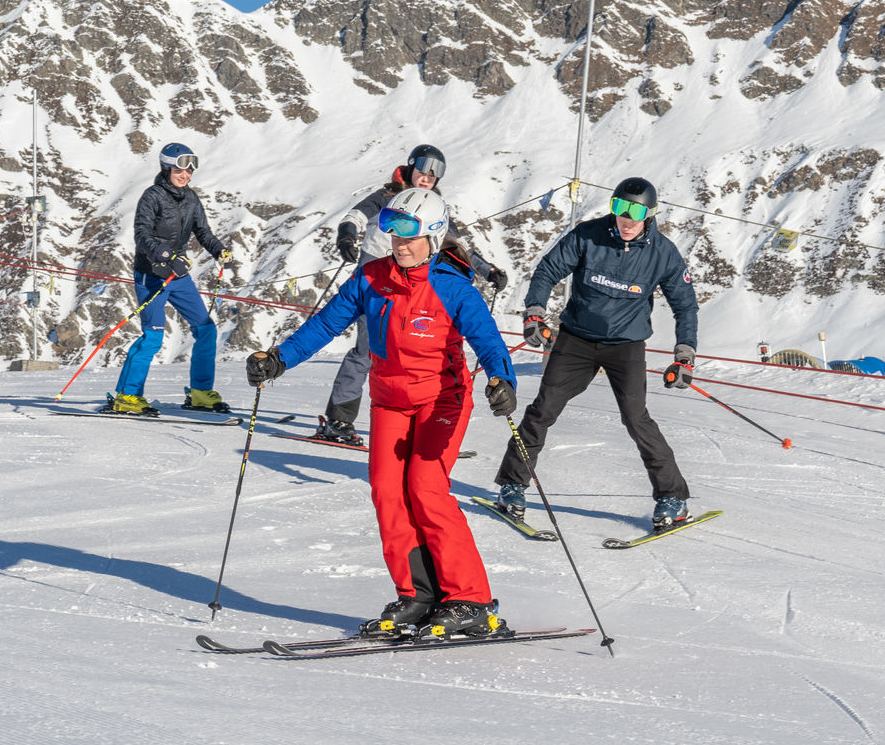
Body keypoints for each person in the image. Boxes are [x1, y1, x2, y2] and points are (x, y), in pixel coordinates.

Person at [248, 187, 518, 640]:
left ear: (433, 236)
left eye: (409, 234)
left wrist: (502, 380)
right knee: (387, 493)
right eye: (391, 231)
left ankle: (468, 598)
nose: (398, 242)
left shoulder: (452, 286)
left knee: (425, 487)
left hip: (442, 400)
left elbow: (488, 340)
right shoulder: (371, 278)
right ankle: (419, 596)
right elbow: (326, 323)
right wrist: (279, 359)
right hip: (390, 399)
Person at [493, 176, 699, 532]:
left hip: (626, 345)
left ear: (650, 213)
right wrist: (535, 312)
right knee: (542, 411)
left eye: (636, 211)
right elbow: (547, 271)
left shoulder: (663, 253)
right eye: (621, 207)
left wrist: (684, 355)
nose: (627, 218)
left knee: (637, 419)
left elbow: (686, 306)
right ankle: (512, 486)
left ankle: (672, 497)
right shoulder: (588, 236)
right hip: (576, 340)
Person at [316, 144, 508, 445]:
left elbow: (458, 245)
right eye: (425, 165)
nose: (430, 174)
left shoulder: (433, 207)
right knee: (369, 349)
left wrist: (488, 271)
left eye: (438, 170)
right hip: (378, 280)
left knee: (417, 354)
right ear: (410, 166)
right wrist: (347, 236)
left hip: (416, 284)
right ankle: (339, 419)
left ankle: (424, 423)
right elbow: (354, 216)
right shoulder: (387, 197)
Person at [107, 142, 234, 416]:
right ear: (166, 168)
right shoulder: (152, 196)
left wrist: (218, 250)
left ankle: (200, 392)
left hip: (177, 275)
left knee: (206, 329)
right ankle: (127, 396)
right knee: (153, 337)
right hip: (151, 274)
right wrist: (165, 254)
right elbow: (142, 235)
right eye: (179, 169)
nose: (185, 175)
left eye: (189, 171)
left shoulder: (191, 199)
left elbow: (203, 231)